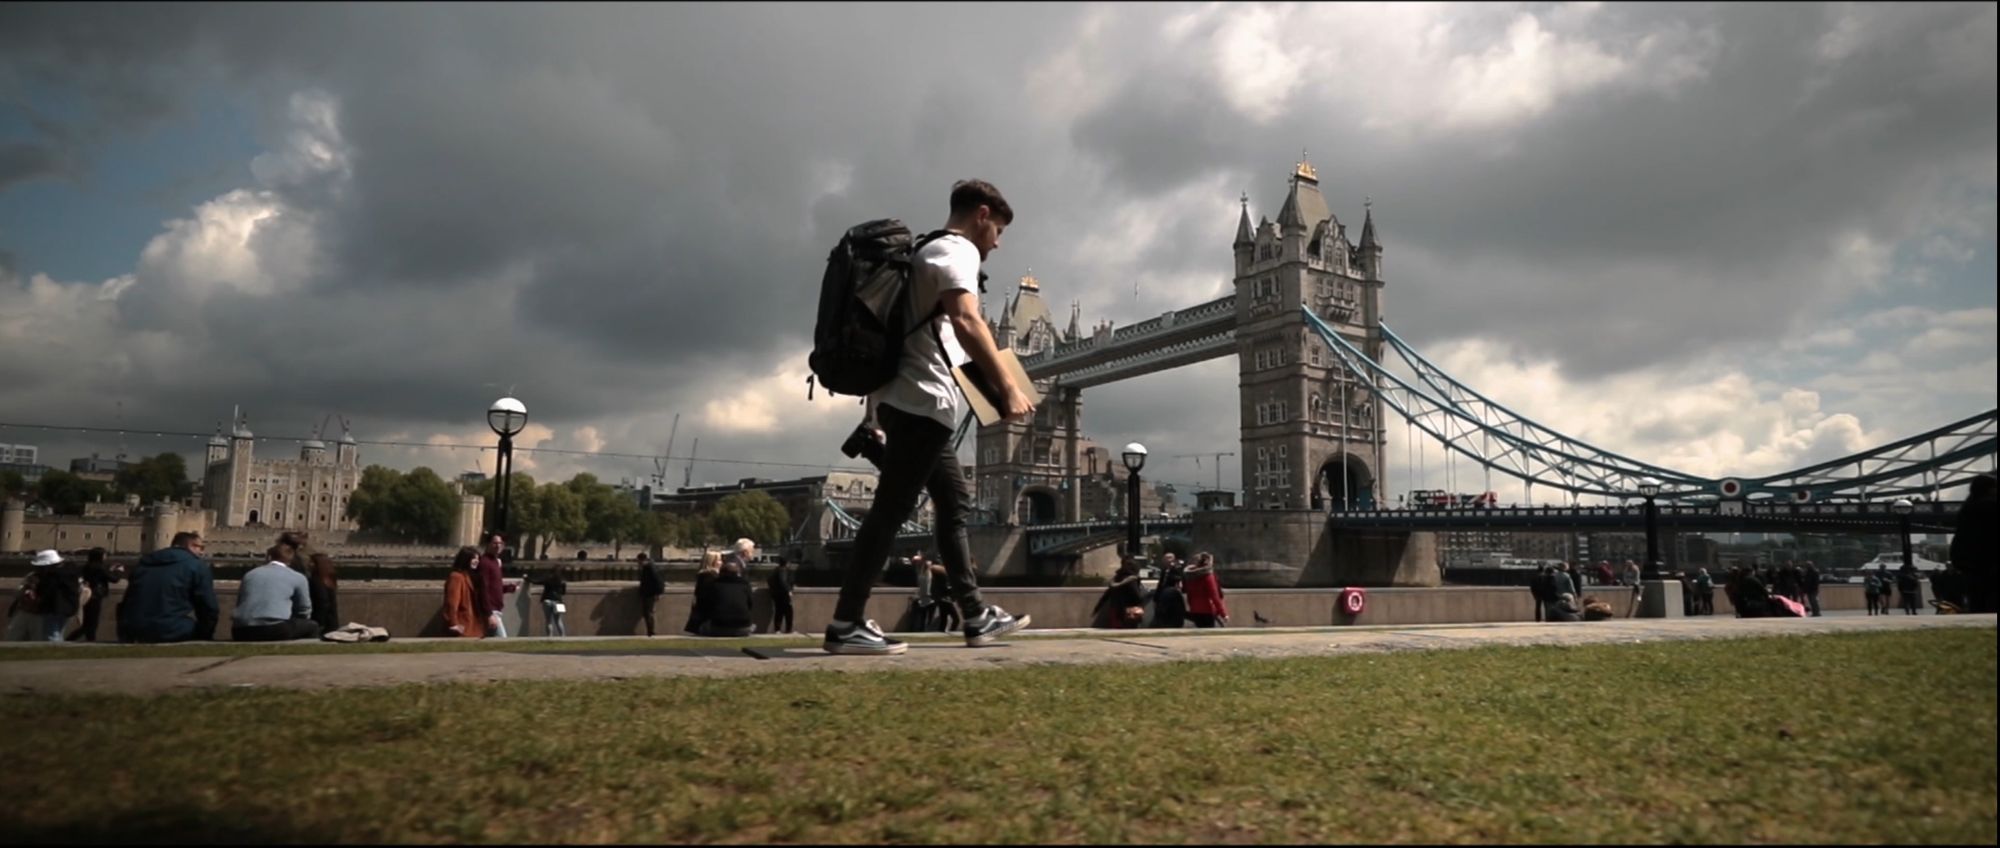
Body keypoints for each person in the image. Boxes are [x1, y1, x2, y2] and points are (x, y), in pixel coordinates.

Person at [825, 179, 1031, 655]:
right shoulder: (957, 250)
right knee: (891, 511)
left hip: (912, 400)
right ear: (981, 215)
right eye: (998, 230)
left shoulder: (924, 253)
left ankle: (976, 615)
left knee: (954, 503)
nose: (997, 242)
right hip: (920, 401)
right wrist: (1005, 387)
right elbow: (967, 320)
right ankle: (845, 623)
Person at [117, 532, 220, 643]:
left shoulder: (143, 564)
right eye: (201, 547)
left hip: (133, 630)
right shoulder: (196, 566)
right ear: (191, 546)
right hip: (172, 630)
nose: (202, 552)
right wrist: (206, 635)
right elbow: (209, 607)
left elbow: (126, 602)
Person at [231, 540, 320, 642]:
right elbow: (304, 609)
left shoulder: (250, 574)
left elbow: (241, 602)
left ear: (269, 557)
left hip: (240, 631)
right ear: (291, 560)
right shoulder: (297, 577)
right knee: (312, 626)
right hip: (273, 629)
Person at [1950, 473, 1995, 614]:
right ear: (1990, 489)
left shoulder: (1967, 508)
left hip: (1969, 562)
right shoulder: (1990, 506)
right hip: (1989, 560)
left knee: (1977, 597)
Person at [697, 557, 756, 637]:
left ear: (721, 573)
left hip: (718, 627)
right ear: (737, 573)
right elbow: (750, 603)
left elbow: (705, 604)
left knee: (702, 627)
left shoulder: (714, 585)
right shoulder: (745, 585)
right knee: (753, 626)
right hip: (743, 627)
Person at [68, 547, 118, 642]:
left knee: (87, 622)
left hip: (87, 594)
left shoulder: (87, 566)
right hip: (95, 596)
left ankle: (84, 639)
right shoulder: (100, 568)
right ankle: (86, 640)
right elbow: (114, 579)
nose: (105, 556)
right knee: (92, 623)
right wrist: (117, 571)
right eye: (104, 555)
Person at [442, 546, 483, 638]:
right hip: (463, 625)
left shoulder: (467, 576)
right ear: (465, 559)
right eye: (473, 558)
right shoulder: (456, 577)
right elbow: (452, 603)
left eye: (478, 558)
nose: (477, 561)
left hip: (470, 624)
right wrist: (454, 624)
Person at [474, 532, 509, 637]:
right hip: (491, 611)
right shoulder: (485, 563)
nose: (498, 546)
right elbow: (483, 588)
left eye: (500, 543)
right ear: (488, 544)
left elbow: (495, 586)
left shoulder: (495, 562)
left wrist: (509, 588)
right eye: (495, 543)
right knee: (502, 640)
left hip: (496, 610)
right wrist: (489, 613)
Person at [1094, 560, 1147, 629]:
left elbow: (1107, 594)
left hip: (1115, 609)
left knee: (1116, 629)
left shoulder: (1117, 578)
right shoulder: (1131, 580)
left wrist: (1096, 609)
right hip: (1128, 611)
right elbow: (1137, 596)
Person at [1184, 551, 1228, 628]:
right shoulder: (1208, 576)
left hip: (1195, 609)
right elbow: (1214, 596)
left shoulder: (1190, 576)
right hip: (1208, 610)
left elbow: (1189, 596)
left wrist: (1192, 608)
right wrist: (1223, 614)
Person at [685, 550, 723, 635]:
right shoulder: (709, 576)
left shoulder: (703, 576)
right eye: (719, 560)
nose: (721, 563)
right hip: (706, 615)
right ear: (712, 562)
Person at [1151, 554, 1188, 629]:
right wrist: (1156, 597)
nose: (1168, 560)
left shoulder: (1177, 569)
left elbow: (1181, 579)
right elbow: (1160, 584)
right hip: (1162, 595)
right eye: (1166, 558)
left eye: (1170, 558)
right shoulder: (1164, 570)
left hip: (1172, 596)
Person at [307, 553, 340, 634]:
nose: (309, 564)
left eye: (311, 562)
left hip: (322, 623)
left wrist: (319, 622)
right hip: (331, 622)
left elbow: (322, 602)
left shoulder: (316, 581)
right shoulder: (329, 579)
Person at [636, 552, 665, 637]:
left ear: (642, 560)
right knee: (648, 613)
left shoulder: (649, 568)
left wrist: (658, 593)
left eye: (638, 561)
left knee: (649, 613)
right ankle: (651, 631)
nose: (638, 563)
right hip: (648, 594)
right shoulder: (650, 567)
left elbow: (658, 581)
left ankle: (651, 631)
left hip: (650, 594)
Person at [537, 562, 569, 637]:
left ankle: (549, 637)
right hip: (557, 601)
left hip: (547, 600)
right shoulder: (562, 581)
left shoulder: (548, 578)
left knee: (548, 621)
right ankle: (563, 636)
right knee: (558, 620)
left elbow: (537, 581)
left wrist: (527, 578)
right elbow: (563, 592)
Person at [767, 555, 796, 634]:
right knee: (789, 612)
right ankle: (788, 629)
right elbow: (782, 582)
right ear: (787, 563)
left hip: (776, 595)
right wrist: (788, 590)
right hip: (784, 595)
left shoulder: (775, 571)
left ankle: (777, 629)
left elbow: (769, 580)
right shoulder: (783, 571)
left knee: (779, 612)